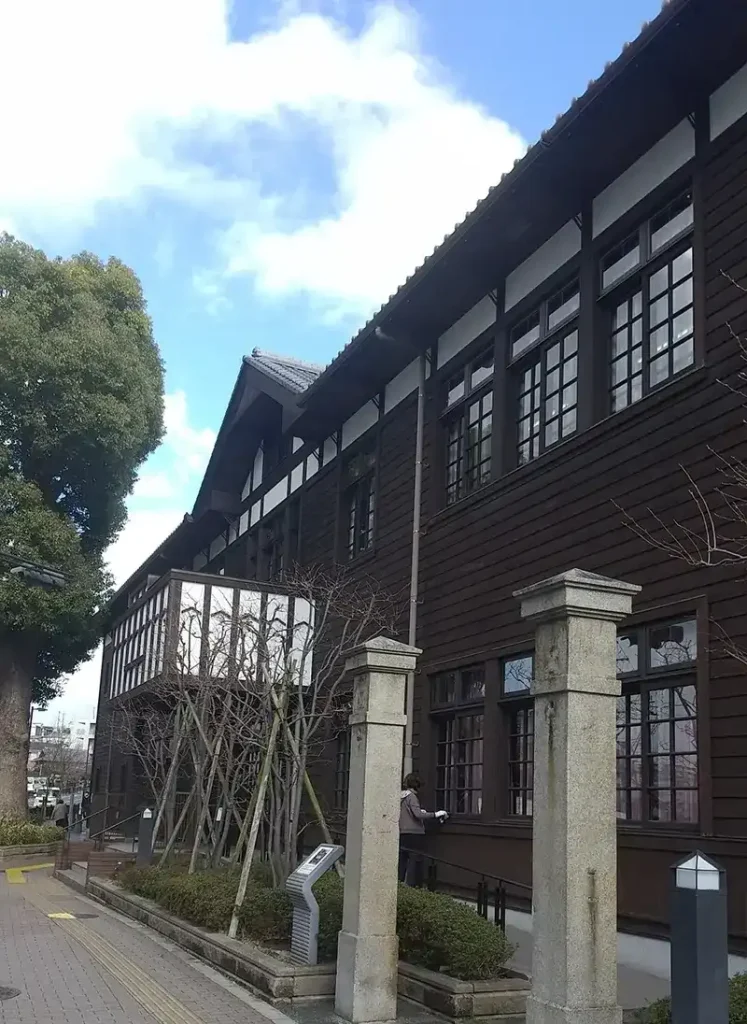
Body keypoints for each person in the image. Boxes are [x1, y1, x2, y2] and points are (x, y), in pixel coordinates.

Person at [398, 774, 448, 884]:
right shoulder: (412, 797)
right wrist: (435, 814)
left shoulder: (401, 796)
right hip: (414, 833)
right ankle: (412, 886)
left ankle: (400, 885)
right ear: (417, 785)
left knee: (403, 861)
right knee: (414, 861)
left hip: (403, 832)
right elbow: (418, 815)